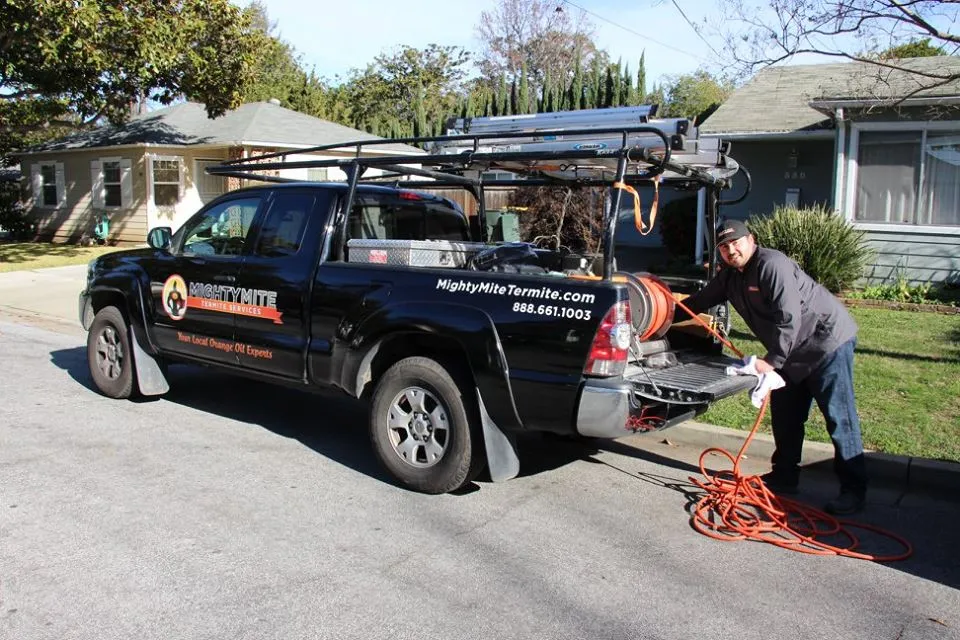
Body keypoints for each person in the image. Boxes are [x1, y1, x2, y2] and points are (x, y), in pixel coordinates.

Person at [682, 219, 868, 515]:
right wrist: (667, 313)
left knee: (839, 417)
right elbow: (700, 301)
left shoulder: (771, 265)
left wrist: (771, 363)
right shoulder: (730, 276)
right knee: (786, 416)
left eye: (736, 243)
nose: (732, 251)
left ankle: (853, 491)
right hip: (790, 351)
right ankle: (784, 477)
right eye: (725, 247)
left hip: (825, 343)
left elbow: (789, 319)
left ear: (751, 240)